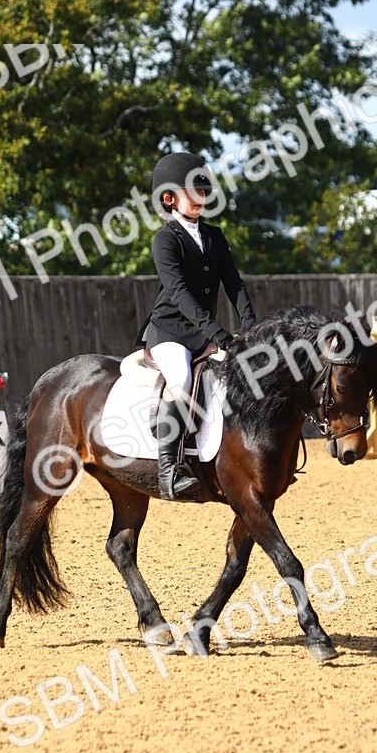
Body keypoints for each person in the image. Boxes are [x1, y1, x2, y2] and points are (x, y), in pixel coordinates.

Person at [139, 151, 257, 501]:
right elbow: (178, 294)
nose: (199, 198)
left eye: (203, 192)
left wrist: (251, 327)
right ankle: (169, 472)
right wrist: (218, 334)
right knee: (181, 380)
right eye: (192, 192)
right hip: (170, 333)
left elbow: (234, 284)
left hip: (204, 334)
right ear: (169, 198)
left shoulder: (215, 236)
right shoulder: (165, 240)